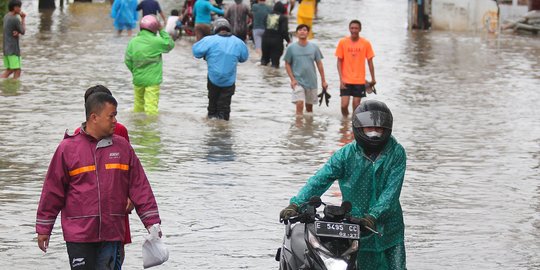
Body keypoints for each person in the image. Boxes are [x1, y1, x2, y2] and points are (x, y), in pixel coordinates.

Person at [36, 92, 162, 269]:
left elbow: (140, 187)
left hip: (112, 233)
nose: (115, 121)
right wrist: (44, 228)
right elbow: (53, 191)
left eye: (115, 116)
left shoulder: (122, 147)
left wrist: (152, 223)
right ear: (94, 117)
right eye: (111, 116)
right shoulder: (67, 149)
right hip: (79, 235)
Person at [280, 100, 407, 270]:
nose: (375, 133)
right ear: (359, 128)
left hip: (390, 229)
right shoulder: (345, 155)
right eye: (370, 129)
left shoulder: (397, 153)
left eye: (379, 129)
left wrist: (373, 216)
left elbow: (391, 193)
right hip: (356, 229)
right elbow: (320, 179)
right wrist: (296, 204)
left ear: (387, 129)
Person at [192, 18, 249, 121]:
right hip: (229, 81)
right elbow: (244, 58)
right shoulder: (238, 42)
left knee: (212, 107)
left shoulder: (209, 40)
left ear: (215, 28)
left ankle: (212, 130)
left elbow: (196, 52)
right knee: (224, 109)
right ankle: (223, 131)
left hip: (213, 79)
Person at [125, 15, 174, 115]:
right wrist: (161, 30)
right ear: (154, 28)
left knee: (138, 106)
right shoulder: (156, 41)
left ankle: (137, 129)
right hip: (152, 81)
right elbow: (170, 44)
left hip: (138, 79)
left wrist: (135, 72)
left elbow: (127, 60)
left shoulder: (133, 42)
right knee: (151, 108)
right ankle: (150, 130)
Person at [283, 24, 328, 115]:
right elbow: (287, 63)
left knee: (309, 109)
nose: (302, 31)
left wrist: (323, 81)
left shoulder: (314, 47)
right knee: (299, 104)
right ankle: (298, 127)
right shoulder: (291, 48)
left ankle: (308, 127)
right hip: (298, 81)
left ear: (308, 33)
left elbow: (319, 64)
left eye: (304, 30)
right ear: (296, 33)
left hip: (311, 81)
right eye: (300, 30)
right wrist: (292, 79)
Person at [335, 20, 376, 116]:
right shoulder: (343, 42)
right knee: (344, 105)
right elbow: (339, 61)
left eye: (356, 28)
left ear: (360, 29)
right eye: (352, 28)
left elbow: (370, 61)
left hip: (359, 80)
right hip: (346, 80)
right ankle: (345, 123)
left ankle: (354, 125)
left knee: (356, 106)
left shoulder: (365, 43)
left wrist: (373, 78)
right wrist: (341, 79)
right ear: (349, 29)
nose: (354, 30)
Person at [261, 1, 290, 68]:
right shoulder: (283, 18)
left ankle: (264, 77)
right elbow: (284, 31)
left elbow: (264, 25)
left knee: (264, 61)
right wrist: (288, 40)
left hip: (265, 40)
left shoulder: (267, 15)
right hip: (277, 42)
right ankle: (274, 77)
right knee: (275, 63)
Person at [1, 0, 25, 80]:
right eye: (19, 7)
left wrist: (17, 32)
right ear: (15, 8)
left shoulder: (6, 16)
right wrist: (23, 18)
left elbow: (11, 30)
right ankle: (15, 88)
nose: (20, 9)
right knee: (17, 69)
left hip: (6, 48)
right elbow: (23, 31)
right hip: (13, 49)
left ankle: (10, 86)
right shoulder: (15, 19)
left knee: (10, 69)